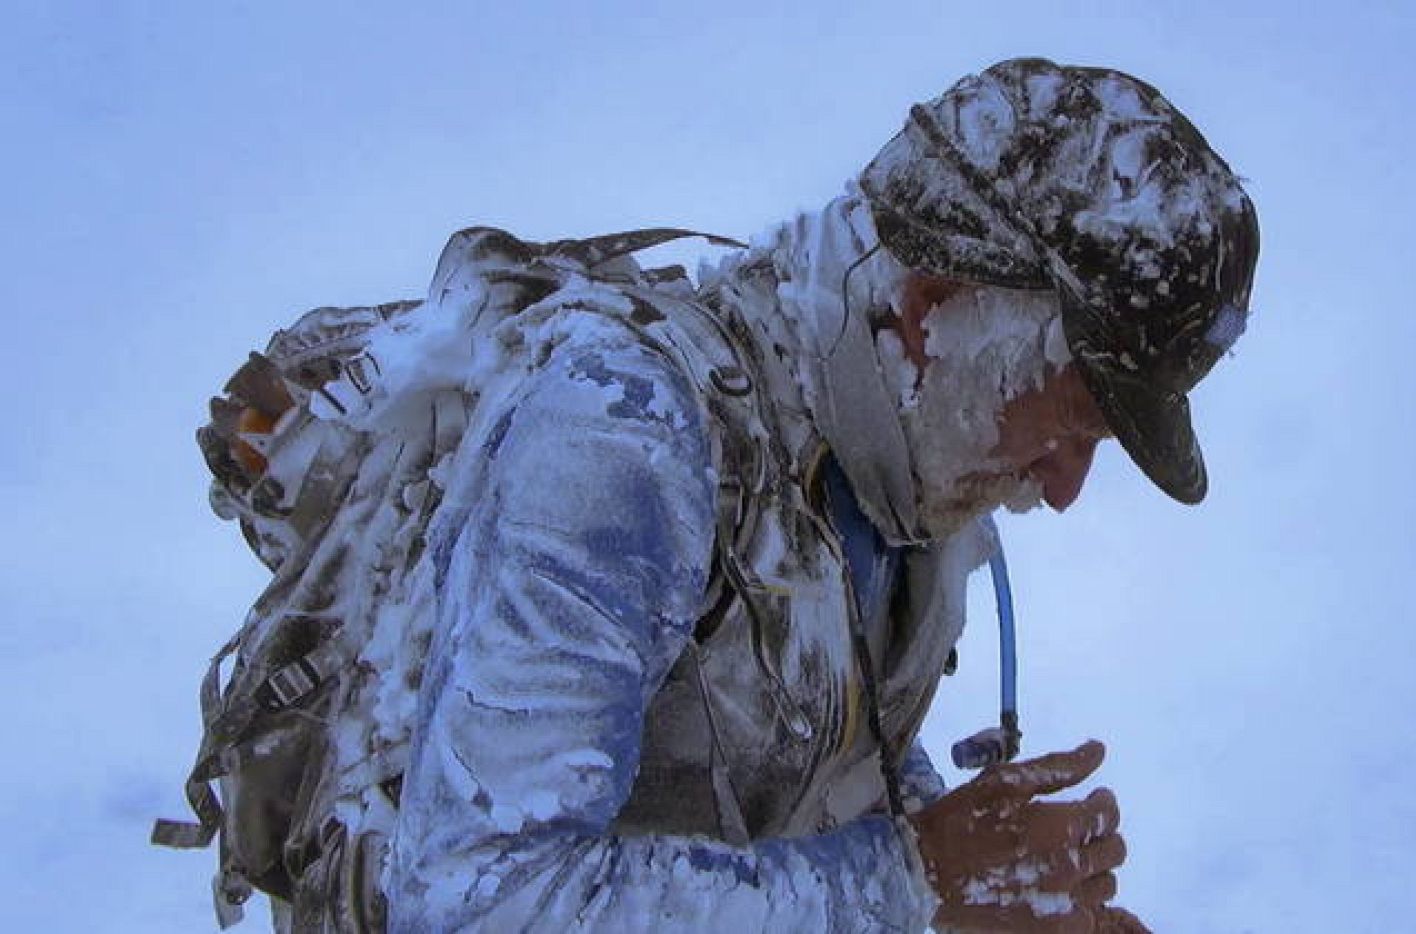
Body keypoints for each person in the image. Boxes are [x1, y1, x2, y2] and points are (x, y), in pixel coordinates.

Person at [163, 57, 1258, 933]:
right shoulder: (621, 438)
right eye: (1069, 425)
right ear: (934, 310)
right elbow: (473, 902)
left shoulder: (904, 459)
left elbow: (804, 733)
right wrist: (915, 887)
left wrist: (984, 877)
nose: (1064, 490)